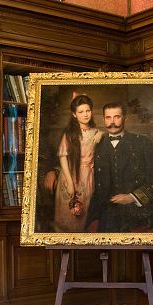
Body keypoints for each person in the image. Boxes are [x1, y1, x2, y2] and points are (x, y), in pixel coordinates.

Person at [85, 102, 153, 233]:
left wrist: (132, 197)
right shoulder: (98, 146)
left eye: (117, 117)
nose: (112, 122)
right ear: (103, 119)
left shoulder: (143, 143)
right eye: (108, 117)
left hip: (138, 214)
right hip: (107, 216)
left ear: (125, 118)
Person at [51, 94, 103, 232]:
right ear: (74, 114)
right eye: (81, 112)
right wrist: (69, 182)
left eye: (88, 110)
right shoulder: (70, 133)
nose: (85, 114)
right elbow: (63, 157)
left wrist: (102, 134)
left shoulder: (96, 132)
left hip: (89, 176)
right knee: (69, 213)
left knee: (85, 214)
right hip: (71, 174)